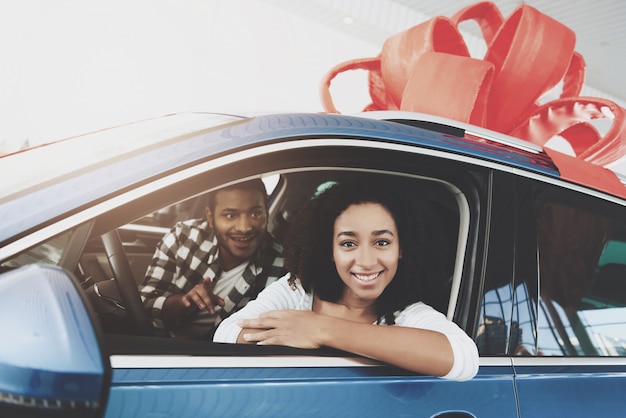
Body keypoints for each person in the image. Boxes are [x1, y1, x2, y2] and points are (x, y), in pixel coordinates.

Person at [214, 180, 479, 381]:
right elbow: (227, 334)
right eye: (349, 243)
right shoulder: (299, 290)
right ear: (330, 250)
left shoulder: (406, 314)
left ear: (401, 249)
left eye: (382, 242)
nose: (365, 260)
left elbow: (463, 358)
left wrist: (321, 329)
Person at [140, 179, 285, 337]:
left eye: (255, 214)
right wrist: (183, 303)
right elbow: (143, 306)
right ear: (210, 217)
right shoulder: (182, 239)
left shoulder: (284, 264)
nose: (244, 227)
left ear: (267, 213)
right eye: (230, 215)